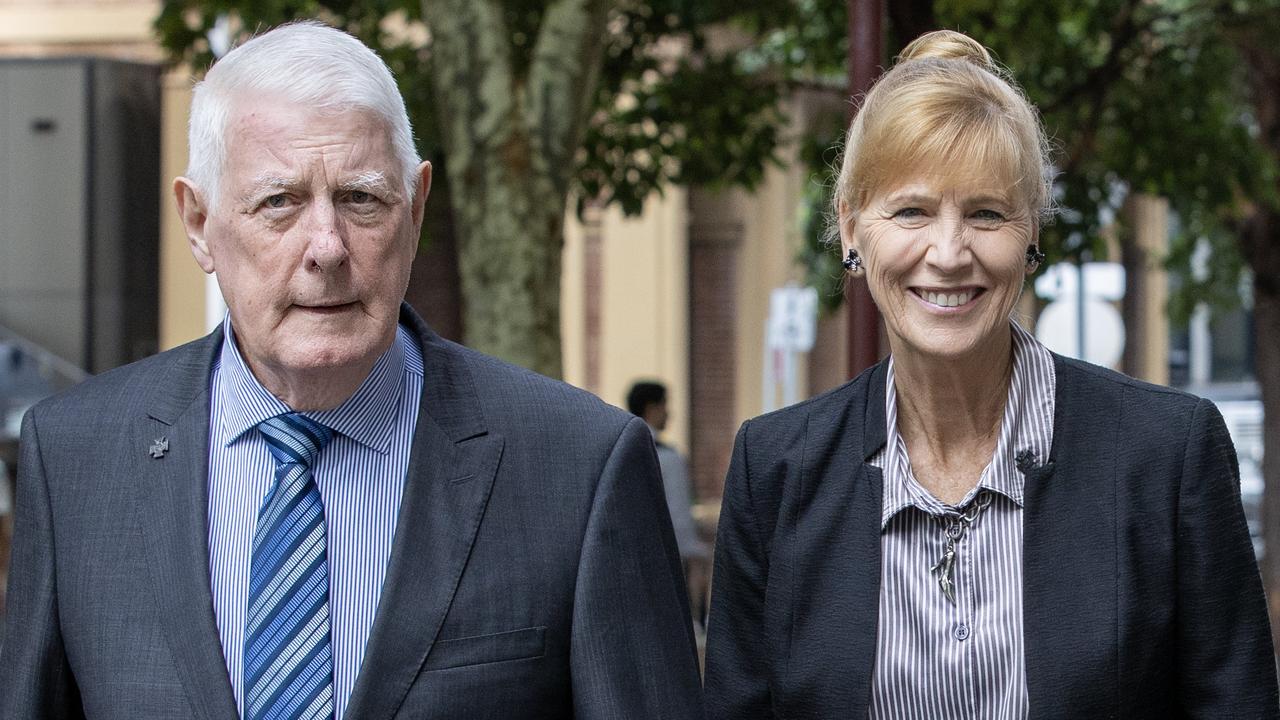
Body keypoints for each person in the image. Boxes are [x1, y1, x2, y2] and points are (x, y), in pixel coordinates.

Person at [0, 22, 702, 719]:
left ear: (416, 208)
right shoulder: (76, 459)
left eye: (361, 198)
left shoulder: (577, 468)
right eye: (279, 202)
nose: (327, 247)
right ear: (197, 222)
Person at [704, 29, 1278, 719]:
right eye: (911, 210)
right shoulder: (776, 473)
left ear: (1032, 230)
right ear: (852, 228)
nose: (948, 253)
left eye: (986, 213)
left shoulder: (1166, 456)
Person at [627, 381, 711, 624]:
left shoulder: (623, 447)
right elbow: (678, 514)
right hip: (668, 554)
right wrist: (695, 551)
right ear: (652, 408)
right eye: (665, 405)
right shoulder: (667, 456)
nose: (668, 412)